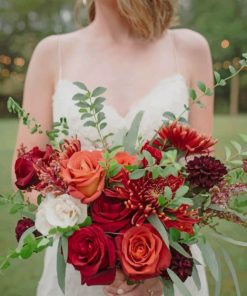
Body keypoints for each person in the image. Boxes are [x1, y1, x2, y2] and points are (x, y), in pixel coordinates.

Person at [13, 0, 214, 295]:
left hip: (169, 271)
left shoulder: (189, 48)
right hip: (82, 266)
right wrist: (88, 240)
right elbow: (27, 173)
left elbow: (203, 175)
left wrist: (158, 261)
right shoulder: (52, 53)